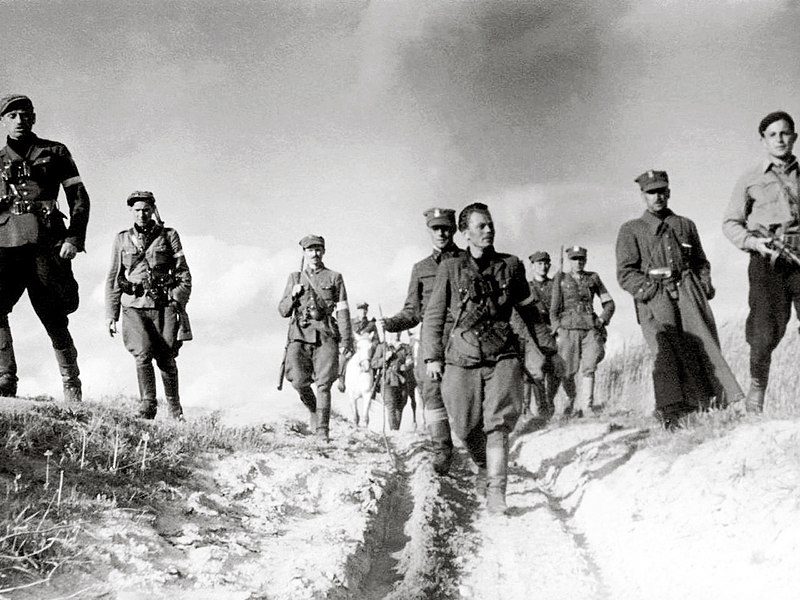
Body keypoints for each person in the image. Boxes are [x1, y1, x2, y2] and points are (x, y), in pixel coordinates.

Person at [423, 202, 544, 514]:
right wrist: (432, 357)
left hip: (503, 354)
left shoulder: (511, 266)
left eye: (490, 224)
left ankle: (497, 491)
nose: (489, 230)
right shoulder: (450, 268)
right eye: (481, 226)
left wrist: (548, 350)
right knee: (464, 426)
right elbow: (434, 317)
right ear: (465, 233)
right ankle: (482, 465)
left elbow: (530, 312)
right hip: (461, 357)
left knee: (498, 424)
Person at [619, 170, 744, 427]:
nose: (657, 197)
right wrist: (650, 293)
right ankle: (671, 413)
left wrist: (703, 286)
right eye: (651, 192)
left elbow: (701, 262)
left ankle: (712, 405)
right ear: (643, 195)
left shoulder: (685, 225)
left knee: (703, 346)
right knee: (665, 352)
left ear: (669, 192)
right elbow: (625, 273)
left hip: (687, 292)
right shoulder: (631, 229)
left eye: (661, 191)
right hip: (654, 297)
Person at [0, 94, 90, 400]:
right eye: (12, 115)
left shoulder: (55, 151)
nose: (19, 120)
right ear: (3, 121)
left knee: (53, 315)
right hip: (7, 246)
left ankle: (71, 384)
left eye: (25, 114)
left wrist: (74, 238)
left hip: (47, 244)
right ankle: (5, 378)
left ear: (34, 118)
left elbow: (79, 198)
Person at [723, 110, 800, 412]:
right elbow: (731, 223)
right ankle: (756, 392)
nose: (780, 139)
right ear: (763, 141)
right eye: (773, 135)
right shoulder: (750, 179)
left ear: (794, 137)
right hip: (767, 262)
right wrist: (753, 243)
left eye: (785, 133)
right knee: (764, 333)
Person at [381, 207, 463, 475]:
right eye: (436, 229)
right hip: (432, 338)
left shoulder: (467, 261)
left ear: (453, 230)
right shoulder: (421, 268)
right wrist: (392, 323)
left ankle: (477, 443)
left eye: (446, 228)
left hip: (464, 335)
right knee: (430, 390)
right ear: (429, 231)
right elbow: (412, 311)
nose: (441, 233)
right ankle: (442, 449)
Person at [105, 191, 192, 419]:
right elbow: (114, 277)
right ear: (130, 212)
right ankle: (147, 406)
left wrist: (176, 299)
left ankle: (175, 410)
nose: (141, 214)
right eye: (137, 210)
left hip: (163, 305)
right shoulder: (122, 239)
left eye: (145, 210)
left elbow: (183, 272)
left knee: (166, 358)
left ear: (153, 210)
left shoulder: (168, 235)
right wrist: (111, 314)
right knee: (142, 354)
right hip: (133, 305)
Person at [278, 235, 353, 440]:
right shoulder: (295, 277)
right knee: (297, 380)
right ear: (304, 253)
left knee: (324, 383)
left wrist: (346, 340)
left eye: (318, 249)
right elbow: (283, 311)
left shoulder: (334, 277)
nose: (315, 254)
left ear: (324, 251)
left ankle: (322, 431)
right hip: (300, 335)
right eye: (310, 250)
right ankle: (313, 408)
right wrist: (293, 296)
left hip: (326, 334)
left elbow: (343, 311)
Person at [550, 246, 615, 417]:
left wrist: (602, 320)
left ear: (585, 260)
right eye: (574, 259)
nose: (578, 262)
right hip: (568, 329)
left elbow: (609, 303)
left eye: (581, 259)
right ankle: (570, 402)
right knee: (566, 370)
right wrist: (557, 330)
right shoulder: (560, 278)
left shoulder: (593, 278)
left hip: (589, 328)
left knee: (590, 366)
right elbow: (553, 310)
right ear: (569, 260)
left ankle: (587, 407)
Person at [510, 251, 559, 419]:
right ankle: (528, 409)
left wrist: (556, 327)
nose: (543, 267)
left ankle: (547, 406)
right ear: (532, 266)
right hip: (530, 332)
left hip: (550, 333)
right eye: (539, 263)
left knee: (552, 370)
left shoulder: (555, 285)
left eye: (546, 263)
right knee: (529, 371)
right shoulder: (527, 287)